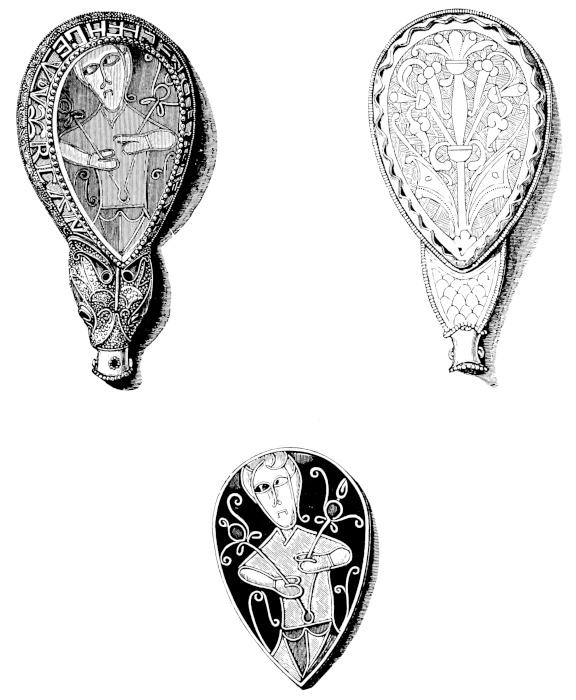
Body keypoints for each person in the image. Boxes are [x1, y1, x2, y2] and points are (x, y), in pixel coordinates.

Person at [239, 452, 352, 682]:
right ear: (257, 500)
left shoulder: (310, 539)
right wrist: (275, 584)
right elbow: (244, 570)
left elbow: (345, 553)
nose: (274, 498)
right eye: (262, 488)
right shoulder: (269, 547)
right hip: (290, 632)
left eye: (279, 483)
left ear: (296, 486)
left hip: (324, 628)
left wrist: (323, 562)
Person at [59, 44, 176, 254]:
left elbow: (170, 138)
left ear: (126, 64)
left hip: (140, 219)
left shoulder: (137, 120)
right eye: (91, 70)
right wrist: (89, 160)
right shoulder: (90, 127)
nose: (104, 79)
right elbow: (60, 146)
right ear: (86, 81)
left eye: (109, 61)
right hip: (104, 219)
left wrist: (146, 142)